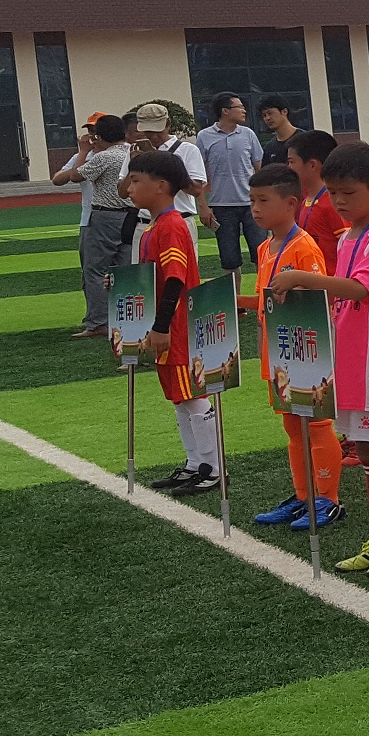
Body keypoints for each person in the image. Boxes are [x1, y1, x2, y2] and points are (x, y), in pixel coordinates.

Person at [272, 144, 369, 576]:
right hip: (350, 358)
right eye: (333, 192)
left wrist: (304, 278)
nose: (339, 201)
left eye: (348, 193)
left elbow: (362, 290)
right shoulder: (349, 237)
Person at [243, 163, 344, 531]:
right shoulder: (264, 247)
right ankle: (303, 496)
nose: (255, 208)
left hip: (305, 350)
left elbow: (320, 296)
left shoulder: (304, 246)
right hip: (278, 349)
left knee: (316, 424)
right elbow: (265, 299)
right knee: (292, 425)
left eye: (263, 200)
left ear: (290, 203)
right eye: (252, 200)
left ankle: (328, 499)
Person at [128, 149, 220, 496]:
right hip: (167, 324)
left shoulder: (170, 225)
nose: (130, 188)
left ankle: (213, 469)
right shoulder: (155, 225)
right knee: (179, 397)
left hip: (178, 326)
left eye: (136, 180)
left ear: (161, 185)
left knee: (192, 394)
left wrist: (162, 326)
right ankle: (195, 463)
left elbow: (175, 279)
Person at [56, 112, 130, 338]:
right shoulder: (133, 152)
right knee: (126, 269)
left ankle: (98, 322)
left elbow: (75, 176)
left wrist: (83, 151)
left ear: (100, 136)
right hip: (131, 215)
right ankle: (127, 320)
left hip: (104, 216)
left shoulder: (103, 157)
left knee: (95, 270)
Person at [197, 93, 264, 281]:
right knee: (229, 259)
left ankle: (265, 295)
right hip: (221, 206)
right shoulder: (204, 137)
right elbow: (199, 175)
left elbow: (260, 170)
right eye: (239, 107)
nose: (244, 110)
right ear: (225, 111)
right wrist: (203, 206)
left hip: (251, 205)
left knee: (261, 254)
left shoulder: (248, 134)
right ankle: (235, 298)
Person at [128, 103, 208, 219]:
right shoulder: (135, 150)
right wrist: (134, 165)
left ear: (168, 125)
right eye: (148, 132)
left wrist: (158, 161)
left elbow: (196, 190)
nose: (153, 136)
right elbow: (123, 192)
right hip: (145, 220)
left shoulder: (188, 150)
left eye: (158, 131)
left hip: (180, 217)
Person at [286, 130, 347, 257]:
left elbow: (350, 247)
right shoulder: (307, 200)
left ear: (312, 165)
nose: (289, 168)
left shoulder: (333, 203)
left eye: (291, 162)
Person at [256, 96, 302, 166]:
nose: (267, 118)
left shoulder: (304, 139)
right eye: (264, 115)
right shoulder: (268, 149)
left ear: (284, 112)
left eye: (270, 113)